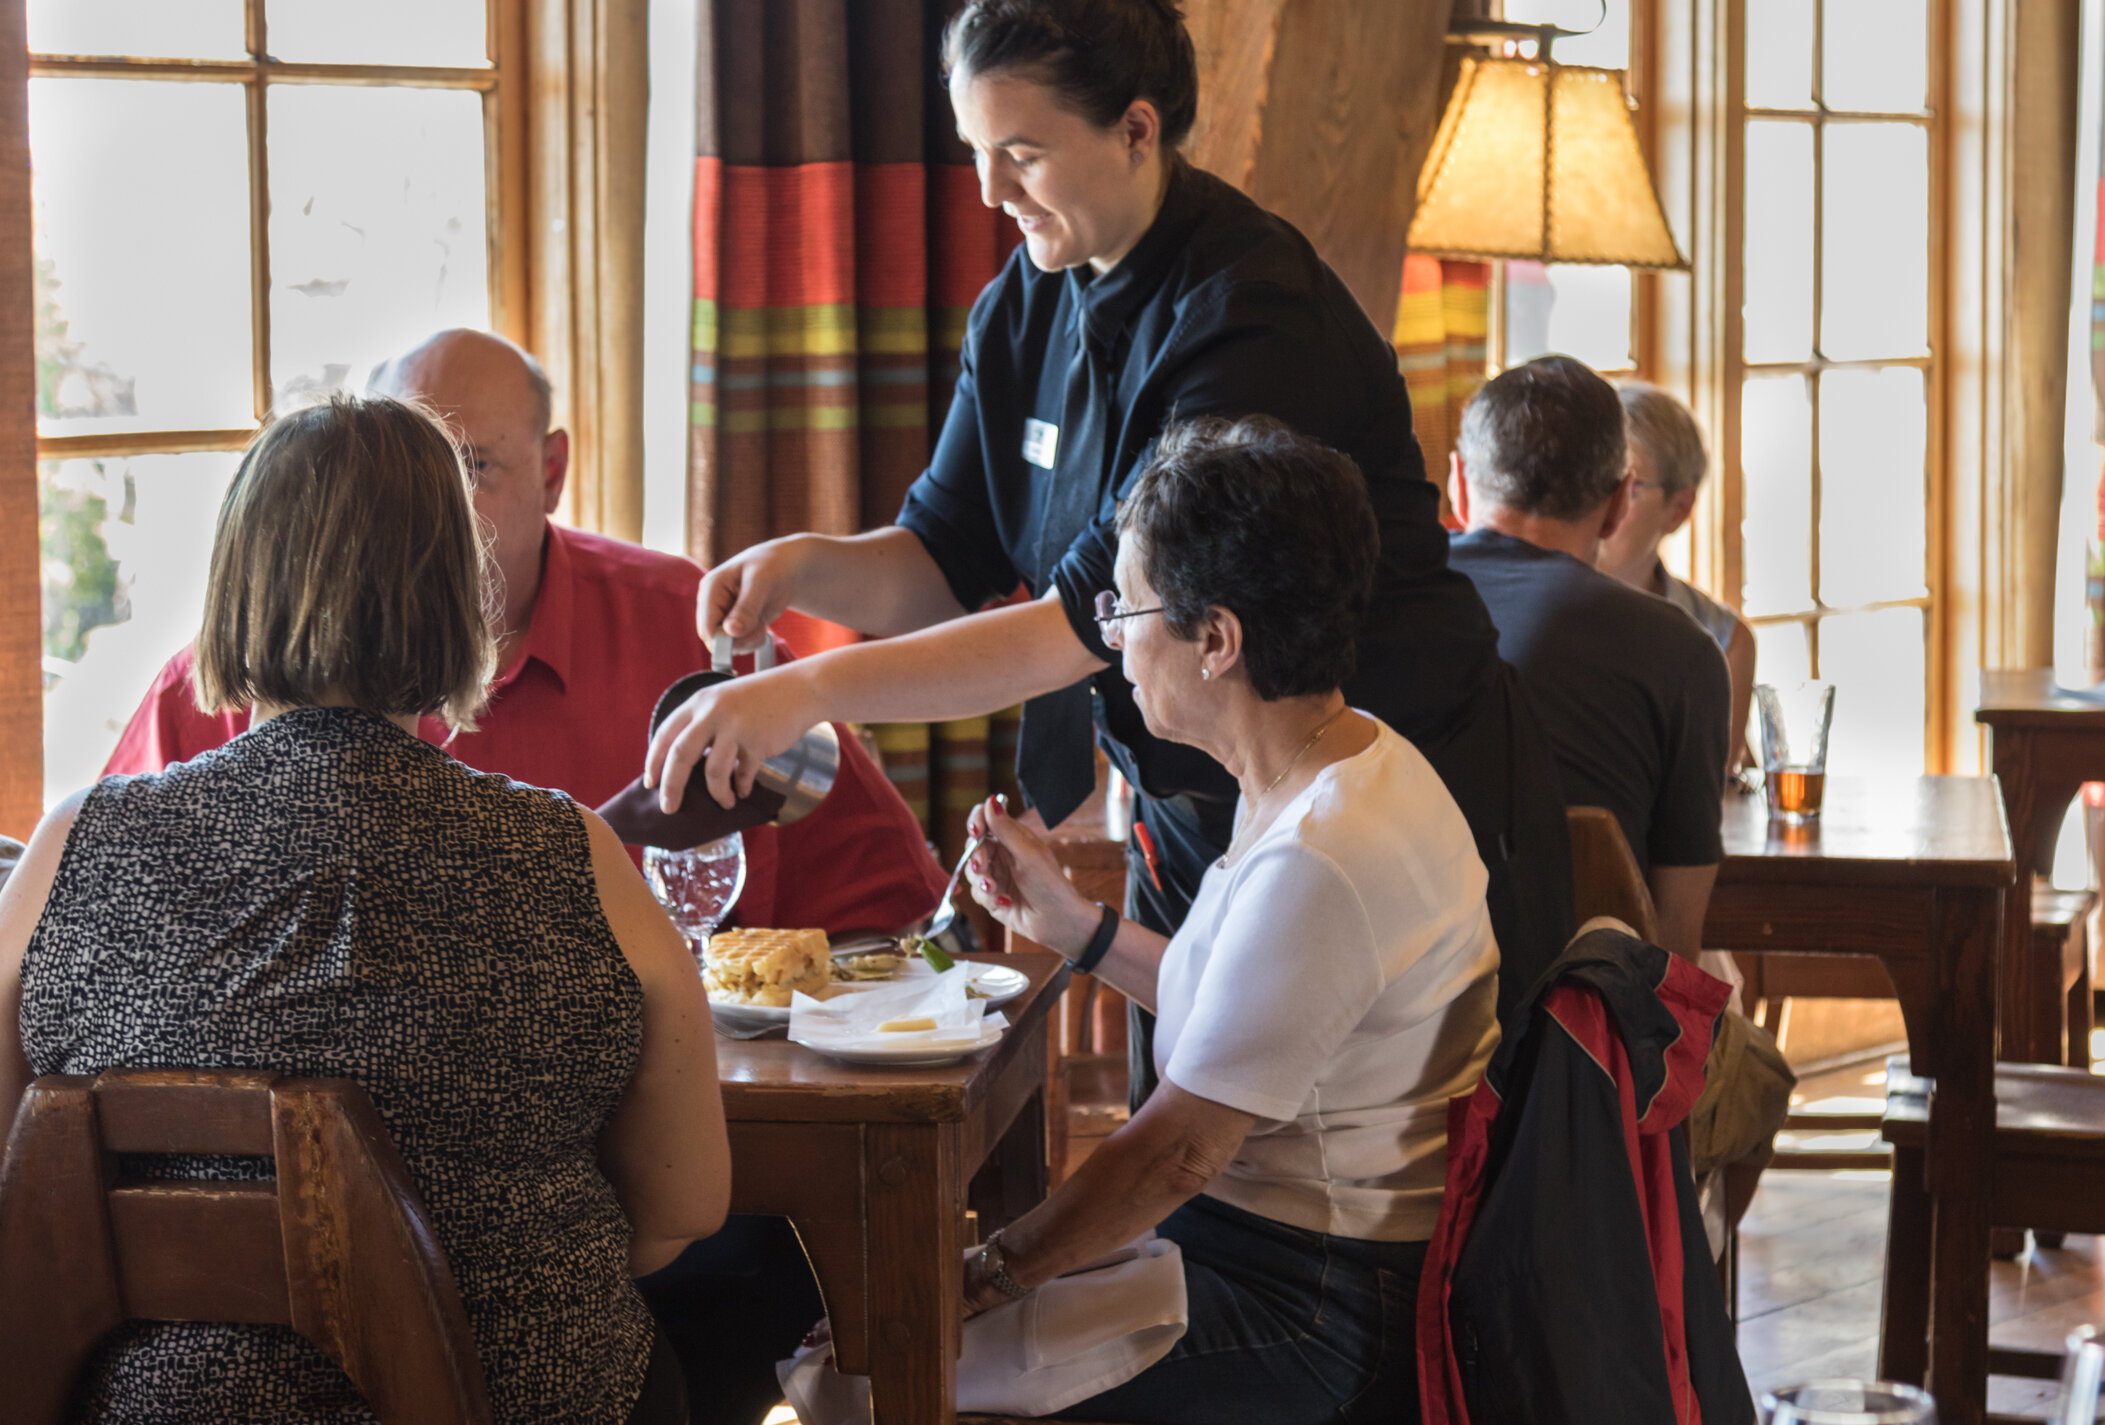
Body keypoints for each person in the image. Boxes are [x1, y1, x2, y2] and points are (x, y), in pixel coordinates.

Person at [644, 0, 1572, 1059]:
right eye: (977, 153)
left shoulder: (1250, 314)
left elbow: (1081, 625)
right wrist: (802, 569)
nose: (991, 191)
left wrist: (806, 692)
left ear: (1137, 129)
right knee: (1201, 1169)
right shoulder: (1027, 302)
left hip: (1384, 801)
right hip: (1196, 810)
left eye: (1022, 153)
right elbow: (950, 556)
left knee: (1379, 1186)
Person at [0, 394, 730, 1423]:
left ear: (236, 586)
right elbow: (682, 1208)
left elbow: (17, 1194)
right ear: (454, 596)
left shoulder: (70, 853)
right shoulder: (576, 860)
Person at [958, 417, 1499, 1424]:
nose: (1112, 635)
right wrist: (1078, 928)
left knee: (903, 1379)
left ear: (1217, 639)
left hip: (1316, 1305)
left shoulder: (1323, 854)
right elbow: (1241, 1020)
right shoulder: (1340, 757)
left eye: (1128, 606)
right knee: (888, 1365)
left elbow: (1177, 1151)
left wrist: (976, 1280)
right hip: (1264, 1252)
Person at [103, 329, 946, 939]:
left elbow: (888, 907)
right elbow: (109, 919)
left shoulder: (687, 633)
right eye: (404, 485)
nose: (437, 520)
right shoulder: (228, 680)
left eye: (471, 469)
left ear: (552, 472)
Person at [1446, 356, 1789, 1232]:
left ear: (1458, 481)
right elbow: (1673, 941)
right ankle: (1673, 1287)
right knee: (1760, 1075)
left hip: (1387, 1049)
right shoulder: (1680, 651)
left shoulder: (1370, 614)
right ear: (1616, 500)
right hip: (1591, 1066)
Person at [1596, 381, 1759, 774]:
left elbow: (1706, 797)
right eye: (1597, 478)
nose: (1605, 501)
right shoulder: (1542, 610)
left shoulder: (1723, 641)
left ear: (1679, 509)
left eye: (1629, 487)